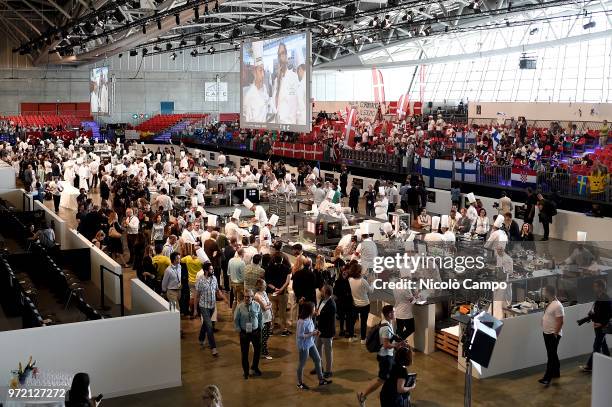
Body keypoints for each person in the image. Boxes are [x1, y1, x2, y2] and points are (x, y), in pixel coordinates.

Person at [357, 305, 405, 406]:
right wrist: (397, 345)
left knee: (389, 377)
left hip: (387, 356)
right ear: (389, 314)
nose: (395, 314)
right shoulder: (386, 328)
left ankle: (383, 394)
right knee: (381, 379)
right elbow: (386, 345)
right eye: (394, 312)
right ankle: (363, 395)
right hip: (385, 357)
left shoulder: (386, 323)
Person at [296, 301, 332, 389]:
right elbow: (300, 335)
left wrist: (315, 332)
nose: (315, 310)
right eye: (313, 308)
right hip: (304, 345)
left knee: (318, 359)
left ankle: (321, 380)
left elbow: (311, 329)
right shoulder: (302, 321)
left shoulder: (309, 317)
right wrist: (312, 334)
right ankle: (300, 383)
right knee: (302, 364)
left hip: (310, 343)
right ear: (309, 310)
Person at [194, 261, 227, 357]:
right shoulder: (200, 280)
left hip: (212, 306)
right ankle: (213, 348)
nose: (213, 270)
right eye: (211, 269)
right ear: (205, 271)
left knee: (206, 324)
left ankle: (201, 338)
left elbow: (217, 291)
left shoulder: (214, 278)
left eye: (212, 269)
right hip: (203, 306)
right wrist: (195, 309)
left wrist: (225, 299)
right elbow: (196, 295)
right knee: (209, 327)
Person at [580, 279, 612, 372]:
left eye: (596, 286)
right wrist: (589, 317)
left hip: (602, 326)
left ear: (601, 287)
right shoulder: (598, 297)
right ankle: (608, 361)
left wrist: (601, 323)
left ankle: (589, 366)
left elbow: (610, 314)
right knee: (603, 344)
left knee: (597, 346)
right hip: (597, 325)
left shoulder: (606, 298)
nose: (594, 288)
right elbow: (596, 311)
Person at [233, 289, 263, 379]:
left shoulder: (257, 305)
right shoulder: (239, 307)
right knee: (244, 353)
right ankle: (246, 372)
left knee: (258, 351)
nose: (247, 298)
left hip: (255, 331)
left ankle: (254, 367)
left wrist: (260, 327)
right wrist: (239, 330)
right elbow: (236, 319)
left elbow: (260, 316)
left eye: (249, 296)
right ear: (244, 297)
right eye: (246, 296)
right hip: (244, 333)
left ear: (252, 297)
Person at [539, 285, 564, 386]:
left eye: (544, 291)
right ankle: (556, 372)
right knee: (552, 354)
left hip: (553, 334)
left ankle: (547, 378)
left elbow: (561, 321)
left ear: (549, 292)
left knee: (551, 356)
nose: (543, 293)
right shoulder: (551, 303)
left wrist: (555, 334)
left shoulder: (558, 305)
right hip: (547, 333)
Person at [265, 249, 292, 336]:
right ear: (282, 259)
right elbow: (287, 281)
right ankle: (284, 330)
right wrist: (280, 289)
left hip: (271, 293)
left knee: (272, 312)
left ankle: (270, 330)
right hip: (282, 294)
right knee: (282, 313)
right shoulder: (286, 268)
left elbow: (267, 281)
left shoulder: (268, 267)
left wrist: (274, 288)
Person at [243, 42, 269, 123]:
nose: (262, 74)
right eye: (260, 70)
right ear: (254, 72)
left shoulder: (264, 89)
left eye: (263, 70)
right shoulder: (247, 92)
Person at [315, 285, 336, 378]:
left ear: (326, 293)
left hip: (327, 331)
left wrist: (317, 315)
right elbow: (319, 312)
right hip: (320, 329)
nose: (320, 291)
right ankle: (319, 367)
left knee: (328, 352)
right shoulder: (322, 300)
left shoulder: (331, 304)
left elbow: (325, 317)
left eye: (322, 291)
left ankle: (328, 371)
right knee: (318, 349)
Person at [349, 263, 373, 343]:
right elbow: (370, 291)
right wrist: (372, 282)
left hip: (355, 304)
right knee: (363, 322)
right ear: (359, 272)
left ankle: (351, 337)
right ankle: (363, 339)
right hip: (365, 304)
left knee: (352, 321)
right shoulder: (363, 281)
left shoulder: (350, 280)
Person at [254, 278, 273, 360]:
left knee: (268, 334)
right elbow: (265, 307)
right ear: (260, 286)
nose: (265, 285)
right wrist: (270, 306)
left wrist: (272, 313)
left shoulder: (264, 293)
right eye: (264, 284)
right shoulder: (257, 296)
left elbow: (268, 303)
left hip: (268, 317)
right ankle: (264, 353)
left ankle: (260, 348)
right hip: (262, 319)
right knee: (264, 337)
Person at [333, 265, 353, 338]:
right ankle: (344, 330)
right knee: (344, 317)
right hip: (345, 301)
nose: (345, 274)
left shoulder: (339, 281)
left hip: (342, 302)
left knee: (344, 317)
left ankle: (344, 330)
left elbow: (335, 292)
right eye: (344, 272)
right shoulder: (347, 281)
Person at [228, 248, 246, 313]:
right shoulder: (242, 262)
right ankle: (239, 316)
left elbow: (228, 273)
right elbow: (244, 276)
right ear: (242, 253)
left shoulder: (230, 260)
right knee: (240, 301)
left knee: (235, 300)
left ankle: (233, 314)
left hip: (233, 283)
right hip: (240, 284)